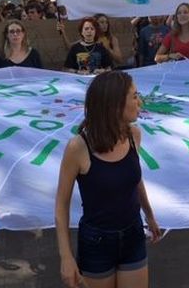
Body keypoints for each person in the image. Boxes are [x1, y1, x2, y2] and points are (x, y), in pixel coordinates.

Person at [55, 70, 160, 288]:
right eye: (134, 96)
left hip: (133, 234)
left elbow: (134, 179)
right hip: (97, 243)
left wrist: (149, 215)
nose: (139, 101)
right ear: (114, 104)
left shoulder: (134, 135)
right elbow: (61, 204)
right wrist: (66, 257)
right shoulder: (78, 147)